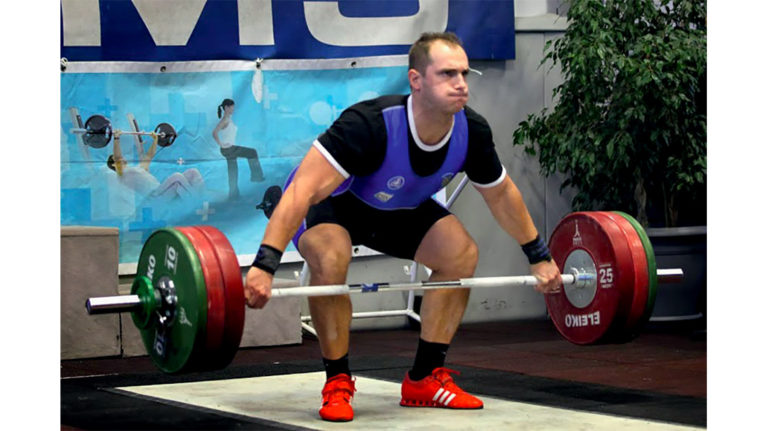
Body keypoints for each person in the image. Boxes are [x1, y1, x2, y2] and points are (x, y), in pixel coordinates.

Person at [245, 32, 562, 422]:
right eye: (447, 74)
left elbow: (502, 196)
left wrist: (539, 256)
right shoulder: (369, 124)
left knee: (460, 253)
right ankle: (338, 381)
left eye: (464, 73)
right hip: (335, 206)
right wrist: (265, 265)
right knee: (331, 258)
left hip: (397, 210)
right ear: (416, 80)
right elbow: (301, 192)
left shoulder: (472, 132)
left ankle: (424, 378)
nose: (461, 83)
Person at [107, 130, 204, 201]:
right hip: (155, 197)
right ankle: (197, 201)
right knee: (177, 177)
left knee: (193, 172)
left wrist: (155, 140)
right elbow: (118, 157)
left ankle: (202, 198)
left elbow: (149, 155)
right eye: (117, 159)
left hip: (162, 189)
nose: (122, 158)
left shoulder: (138, 169)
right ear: (114, 165)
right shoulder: (121, 175)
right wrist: (116, 138)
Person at [212, 99, 265, 200]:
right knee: (252, 152)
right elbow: (214, 133)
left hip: (229, 148)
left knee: (233, 172)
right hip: (229, 149)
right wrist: (221, 144)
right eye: (232, 107)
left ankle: (233, 194)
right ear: (226, 107)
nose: (233, 109)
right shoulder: (225, 120)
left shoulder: (228, 119)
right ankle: (257, 177)